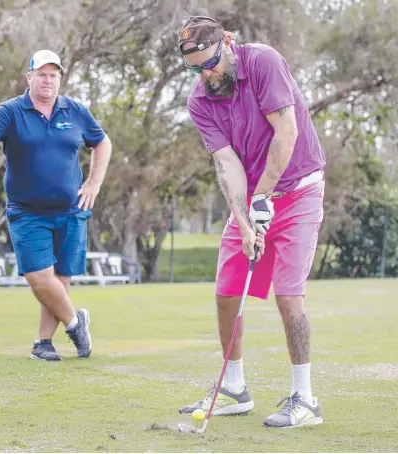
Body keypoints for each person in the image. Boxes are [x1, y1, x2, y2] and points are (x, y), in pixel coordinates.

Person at [176, 16, 326, 428]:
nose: (207, 74)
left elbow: (287, 132)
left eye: (211, 62)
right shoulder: (199, 100)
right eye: (195, 68)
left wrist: (263, 197)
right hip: (254, 199)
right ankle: (235, 389)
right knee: (227, 291)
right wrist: (244, 221)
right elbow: (227, 163)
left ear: (227, 43)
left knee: (288, 294)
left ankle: (305, 399)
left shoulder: (264, 62)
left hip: (299, 190)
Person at [0, 49, 112, 361]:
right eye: (42, 74)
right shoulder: (10, 111)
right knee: (38, 276)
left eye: (53, 75)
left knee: (60, 279)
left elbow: (102, 142)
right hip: (27, 211)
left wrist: (94, 182)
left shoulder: (75, 110)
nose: (48, 80)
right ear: (29, 77)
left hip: (71, 210)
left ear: (60, 79)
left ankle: (42, 344)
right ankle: (76, 323)